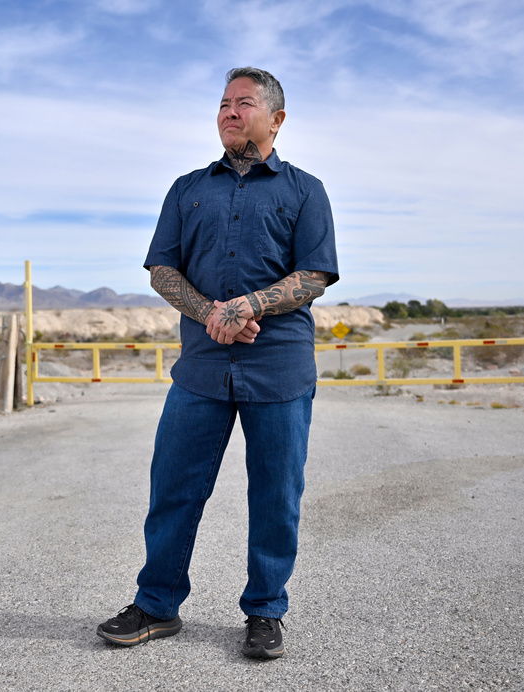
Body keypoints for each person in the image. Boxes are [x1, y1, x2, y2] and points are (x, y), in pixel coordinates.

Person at [96, 67, 339, 659]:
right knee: (174, 486)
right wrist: (211, 313)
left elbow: (315, 274)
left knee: (276, 494)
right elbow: (161, 269)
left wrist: (251, 304)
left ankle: (264, 610)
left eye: (244, 103)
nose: (229, 112)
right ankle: (155, 604)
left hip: (278, 368)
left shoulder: (305, 190)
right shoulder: (187, 189)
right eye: (224, 103)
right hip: (201, 368)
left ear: (276, 118)